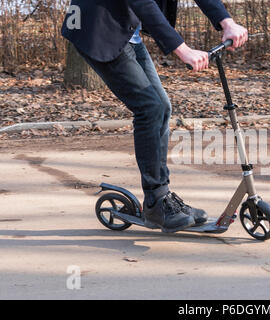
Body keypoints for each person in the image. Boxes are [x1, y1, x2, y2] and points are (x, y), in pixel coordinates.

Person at [61, 0, 248, 233]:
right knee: (150, 108)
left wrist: (226, 22)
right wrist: (183, 49)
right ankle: (156, 202)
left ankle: (162, 198)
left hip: (126, 29)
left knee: (161, 108)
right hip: (97, 30)